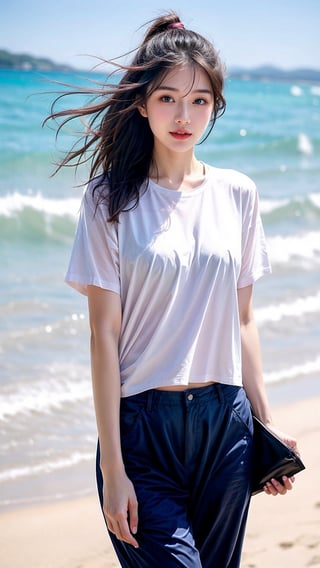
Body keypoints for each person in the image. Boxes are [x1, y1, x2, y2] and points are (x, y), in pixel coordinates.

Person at [47, 11, 298, 568]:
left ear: (216, 106)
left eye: (200, 100)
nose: (184, 115)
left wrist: (266, 424)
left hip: (225, 428)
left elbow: (244, 321)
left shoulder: (239, 194)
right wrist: (114, 469)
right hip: (142, 431)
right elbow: (102, 335)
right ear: (141, 103)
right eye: (167, 98)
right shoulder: (108, 199)